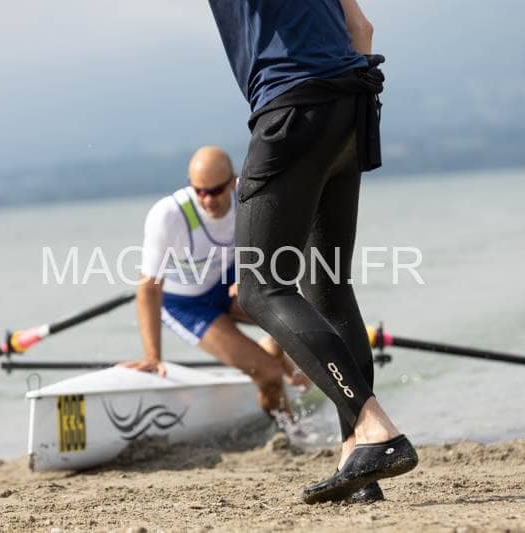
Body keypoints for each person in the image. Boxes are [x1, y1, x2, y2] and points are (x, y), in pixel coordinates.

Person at [208, 0, 418, 504]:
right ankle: (357, 459)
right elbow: (361, 28)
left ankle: (375, 429)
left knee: (261, 289)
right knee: (328, 287)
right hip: (352, 104)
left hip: (293, 108)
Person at [121, 146, 309, 418]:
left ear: (233, 182)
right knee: (268, 374)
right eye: (199, 191)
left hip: (227, 281)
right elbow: (149, 288)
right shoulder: (168, 216)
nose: (207, 200)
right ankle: (291, 431)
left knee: (294, 317)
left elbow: (283, 247)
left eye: (216, 191)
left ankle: (282, 359)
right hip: (186, 305)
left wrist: (248, 274)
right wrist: (152, 357)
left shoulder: (249, 197)